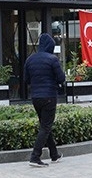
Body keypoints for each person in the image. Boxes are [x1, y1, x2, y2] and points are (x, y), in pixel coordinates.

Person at [24, 33, 67, 167]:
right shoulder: (52, 59)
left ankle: (54, 154)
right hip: (49, 96)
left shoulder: (30, 59)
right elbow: (61, 78)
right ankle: (35, 156)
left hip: (35, 97)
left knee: (45, 126)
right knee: (46, 127)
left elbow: (26, 80)